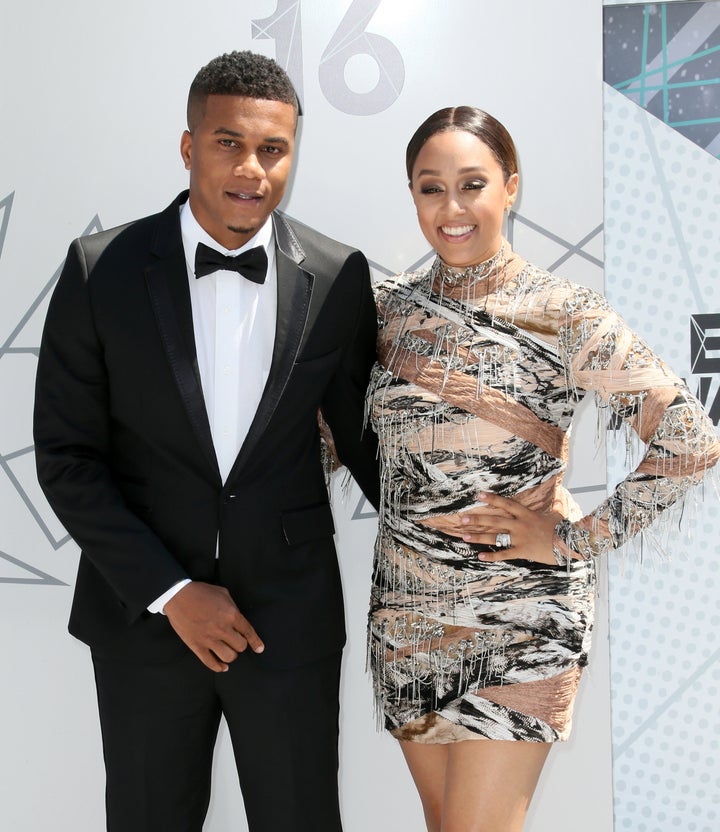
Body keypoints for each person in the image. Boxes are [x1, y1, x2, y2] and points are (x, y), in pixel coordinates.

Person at [33, 50, 379, 832]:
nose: (252, 169)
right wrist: (171, 592)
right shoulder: (101, 271)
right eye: (229, 143)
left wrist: (475, 529)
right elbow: (66, 456)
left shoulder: (339, 275)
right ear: (189, 147)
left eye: (274, 149)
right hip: (145, 622)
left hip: (288, 626)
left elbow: (370, 448)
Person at [366, 106, 720, 832]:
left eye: (473, 184)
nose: (453, 208)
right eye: (431, 188)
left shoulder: (563, 312)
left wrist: (571, 541)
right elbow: (332, 443)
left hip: (522, 621)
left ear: (512, 186)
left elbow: (689, 438)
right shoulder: (385, 312)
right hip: (408, 618)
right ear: (411, 195)